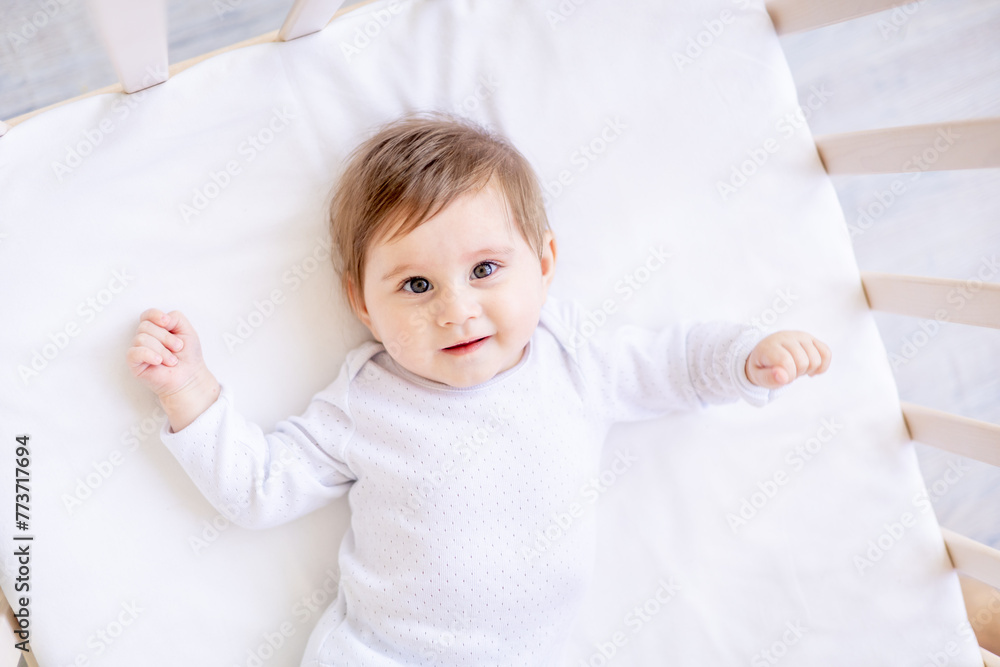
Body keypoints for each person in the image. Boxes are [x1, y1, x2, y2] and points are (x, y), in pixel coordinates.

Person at [126, 111, 831, 666]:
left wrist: (746, 357)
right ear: (362, 303)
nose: (456, 308)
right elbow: (261, 486)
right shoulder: (366, 401)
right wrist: (190, 389)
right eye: (416, 284)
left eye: (486, 269)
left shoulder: (572, 359)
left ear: (545, 261)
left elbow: (673, 363)